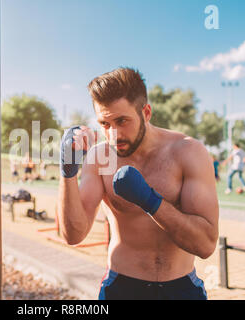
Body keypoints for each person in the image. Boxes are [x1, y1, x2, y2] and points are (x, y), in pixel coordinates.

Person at [58, 67, 218, 300]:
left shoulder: (189, 152)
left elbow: (205, 245)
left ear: (146, 112)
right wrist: (67, 172)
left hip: (181, 288)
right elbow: (73, 235)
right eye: (105, 124)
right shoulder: (99, 158)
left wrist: (150, 200)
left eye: (122, 121)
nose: (114, 135)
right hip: (122, 287)